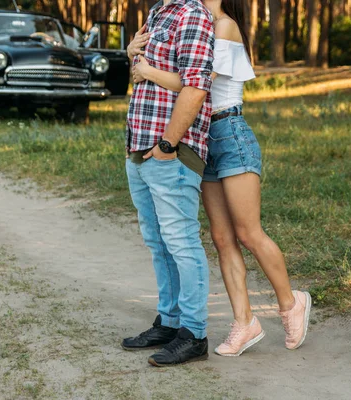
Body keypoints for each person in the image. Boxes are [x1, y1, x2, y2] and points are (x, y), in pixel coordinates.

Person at [128, 0, 312, 357]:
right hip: (203, 138)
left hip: (229, 133)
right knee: (222, 237)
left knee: (248, 232)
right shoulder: (187, 20)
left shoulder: (222, 25)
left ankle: (291, 303)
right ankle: (245, 323)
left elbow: (195, 85)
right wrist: (135, 53)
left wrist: (147, 70)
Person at [121, 0, 215, 367]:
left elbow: (196, 86)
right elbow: (141, 75)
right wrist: (132, 55)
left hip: (170, 151)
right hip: (139, 147)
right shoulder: (159, 12)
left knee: (181, 241)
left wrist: (167, 145)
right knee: (158, 242)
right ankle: (170, 321)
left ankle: (194, 334)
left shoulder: (193, 13)